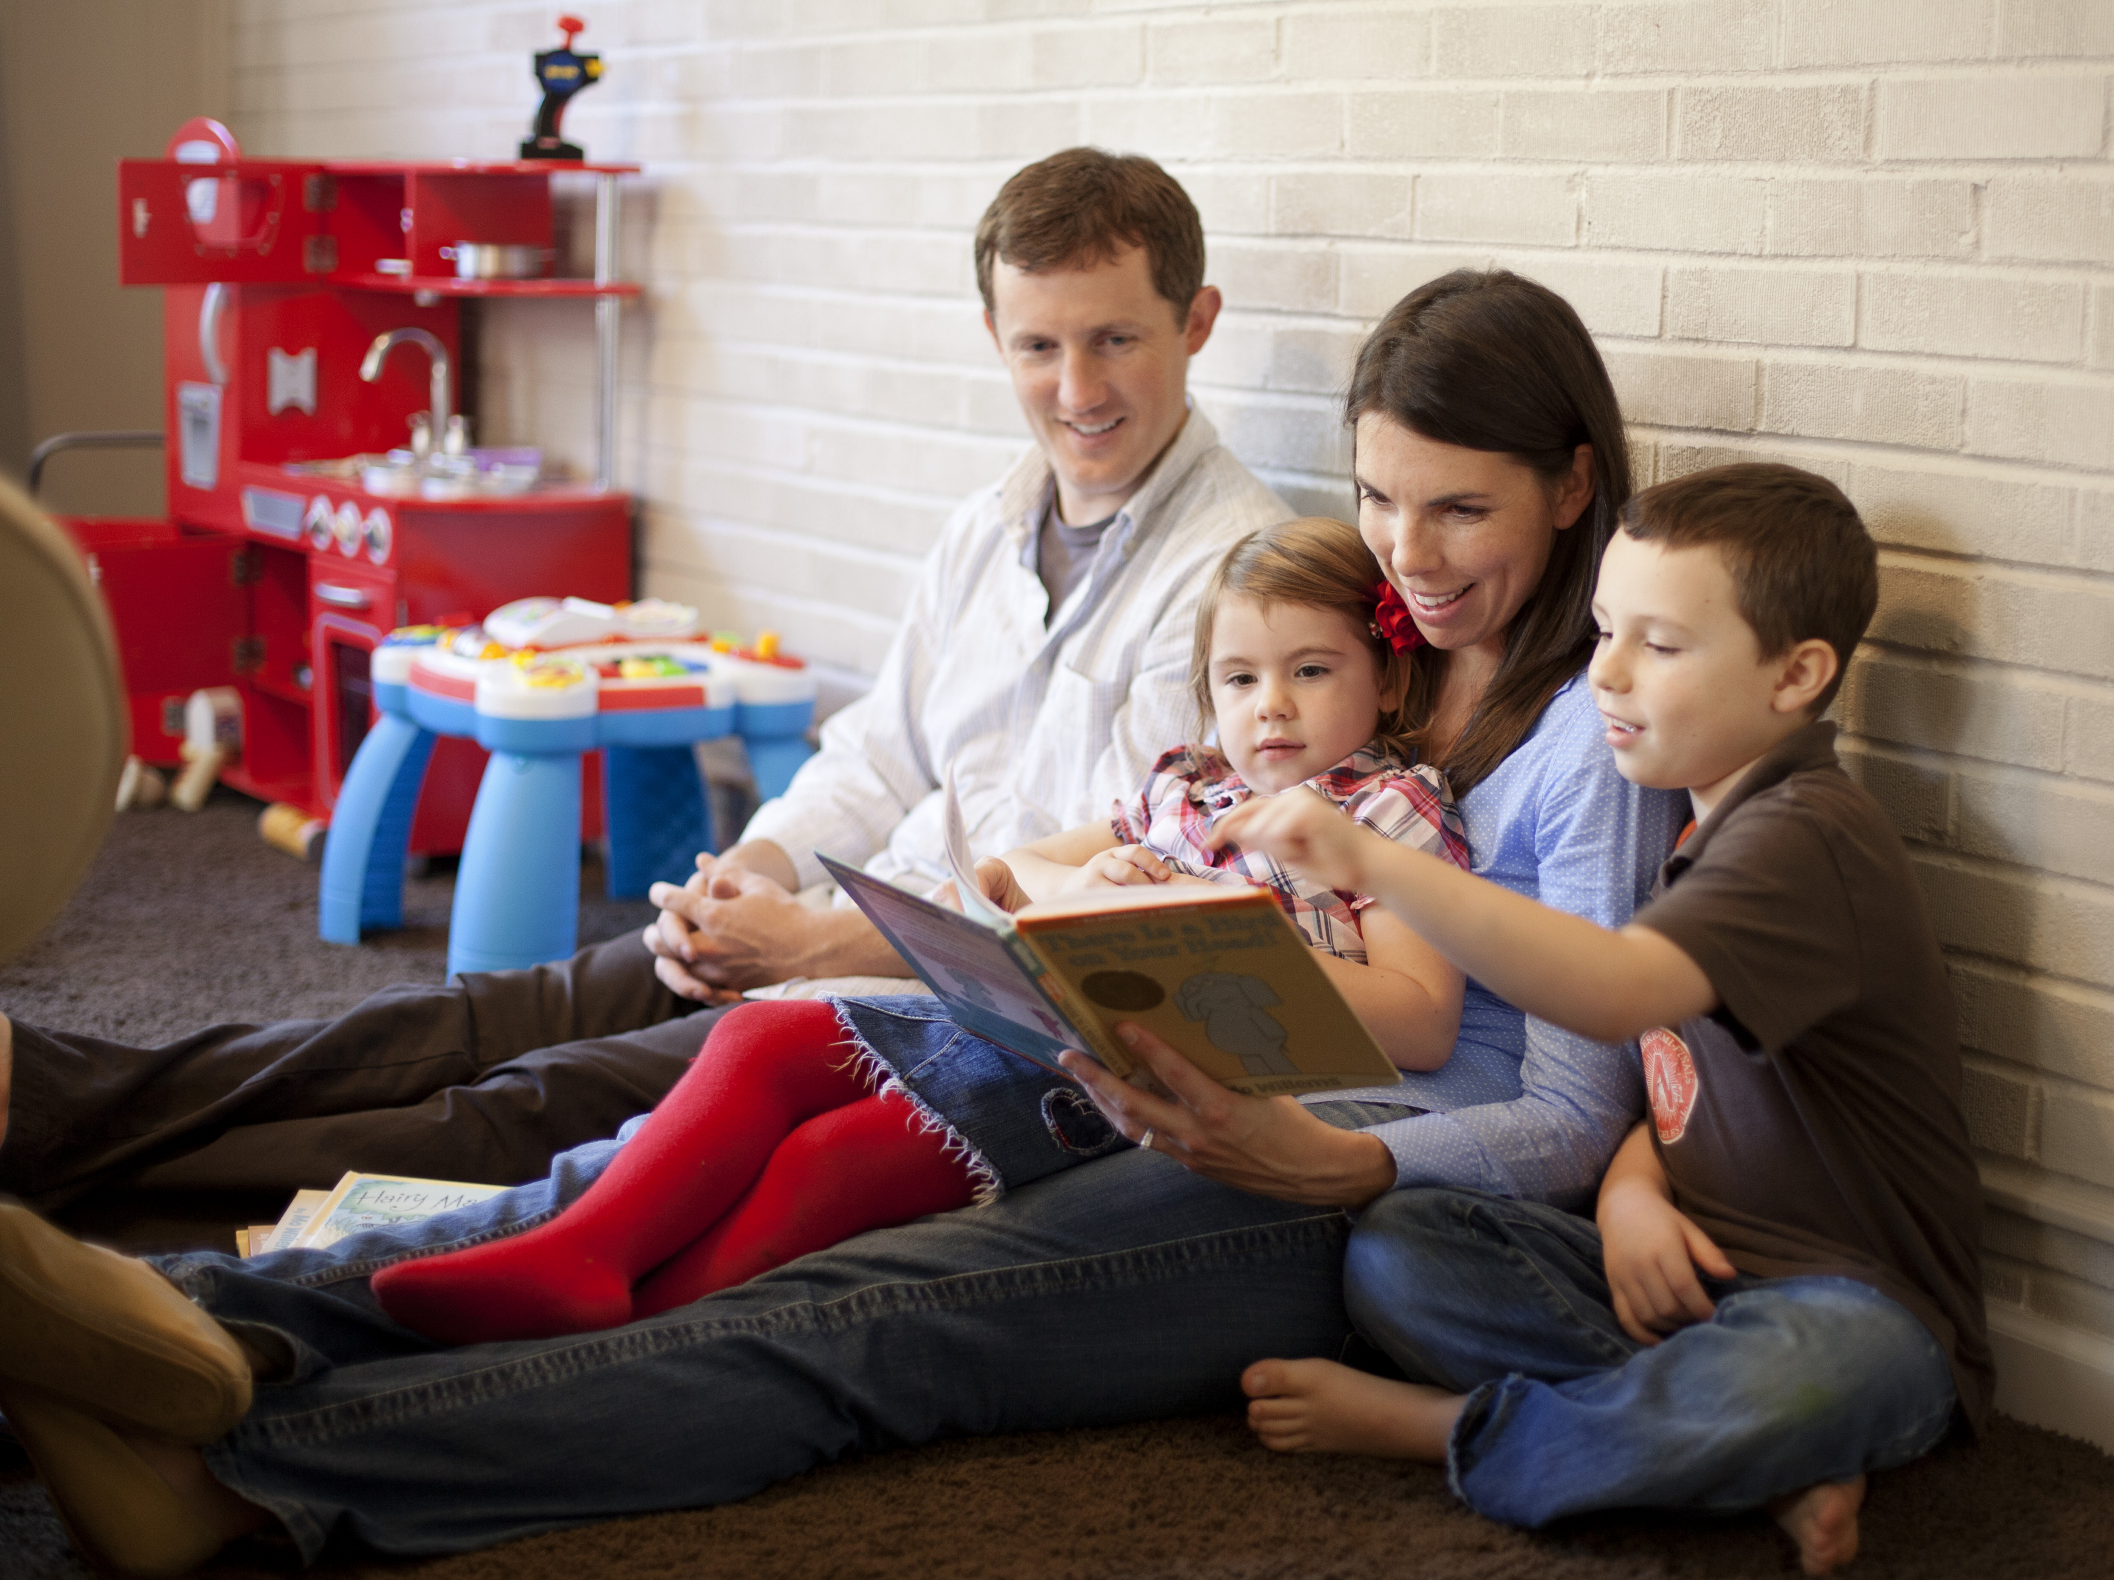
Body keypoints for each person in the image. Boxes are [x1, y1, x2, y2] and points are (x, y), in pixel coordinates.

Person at [0, 269, 1690, 1571]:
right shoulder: (1375, 651)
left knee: (851, 1307)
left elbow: (1566, 1098)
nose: (1413, 552)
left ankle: (244, 1483)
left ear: (1570, 485)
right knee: (624, 1165)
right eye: (1390, 503)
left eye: (1459, 509)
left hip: (1318, 1170)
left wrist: (1342, 1165)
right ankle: (205, 1327)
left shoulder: (1585, 741)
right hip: (1147, 1064)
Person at [0, 146, 1293, 1216]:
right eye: (1038, 347)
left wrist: (812, 944)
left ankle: (86, 1192)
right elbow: (879, 756)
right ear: (993, 336)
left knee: (523, 1103)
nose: (1074, 391)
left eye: (1115, 340)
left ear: (1197, 322)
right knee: (477, 1015)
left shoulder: (1235, 583)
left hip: (945, 1014)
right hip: (830, 925)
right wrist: (759, 877)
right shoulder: (989, 522)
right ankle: (50, 1092)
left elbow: (1102, 908)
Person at [367, 519, 1471, 1345]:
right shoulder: (1189, 786)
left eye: (1310, 671)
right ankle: (584, 1252)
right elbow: (1020, 864)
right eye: (1240, 678)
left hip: (1162, 1086)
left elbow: (1423, 1020)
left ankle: (634, 1325)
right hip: (1045, 1020)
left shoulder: (1390, 812)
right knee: (756, 1042)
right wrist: (1091, 875)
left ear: (1385, 673)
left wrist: (1244, 941)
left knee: (838, 1160)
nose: (1270, 706)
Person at [1217, 463, 1990, 1576]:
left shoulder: (1807, 839)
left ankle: (1445, 1429)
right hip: (1689, 1274)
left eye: (1659, 646)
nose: (1607, 676)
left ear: (1796, 674)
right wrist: (1631, 1192)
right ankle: (1740, 1454)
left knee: (1810, 1373)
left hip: (1859, 1306)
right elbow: (1685, 1080)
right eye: (1602, 632)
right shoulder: (1699, 826)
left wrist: (1367, 859)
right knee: (1404, 1250)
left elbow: (1615, 992)